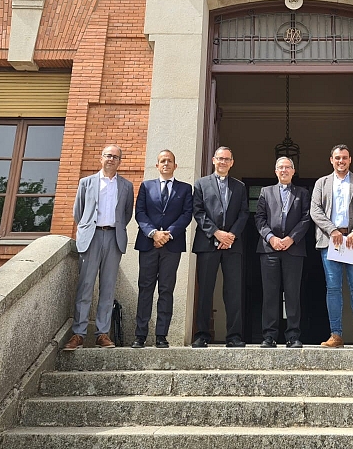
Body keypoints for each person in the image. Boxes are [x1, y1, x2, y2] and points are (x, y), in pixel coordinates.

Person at [64, 145, 134, 351]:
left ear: (120, 161)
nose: (111, 159)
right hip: (91, 236)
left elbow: (126, 214)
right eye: (108, 156)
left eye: (115, 157)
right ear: (101, 158)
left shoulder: (126, 186)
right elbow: (78, 212)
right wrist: (87, 228)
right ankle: (78, 334)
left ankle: (102, 333)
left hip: (113, 237)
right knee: (85, 285)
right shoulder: (86, 183)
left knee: (108, 287)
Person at [310, 144, 353, 349]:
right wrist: (332, 230)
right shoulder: (322, 183)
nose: (341, 161)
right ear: (331, 160)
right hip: (332, 240)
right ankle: (335, 335)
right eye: (337, 158)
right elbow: (315, 210)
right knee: (333, 288)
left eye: (345, 158)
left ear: (350, 160)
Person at [131, 150, 193, 349]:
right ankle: (140, 335)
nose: (166, 164)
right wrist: (153, 234)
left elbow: (186, 214)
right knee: (145, 288)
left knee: (166, 290)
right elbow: (139, 213)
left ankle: (161, 335)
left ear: (175, 166)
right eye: (162, 161)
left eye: (169, 161)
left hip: (172, 246)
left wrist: (167, 234)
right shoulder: (146, 186)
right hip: (148, 244)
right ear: (157, 165)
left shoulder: (185, 189)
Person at [191, 146, 249, 348]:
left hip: (233, 245)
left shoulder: (239, 187)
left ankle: (234, 335)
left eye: (227, 159)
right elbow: (198, 212)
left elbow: (244, 213)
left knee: (233, 291)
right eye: (220, 159)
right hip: (208, 243)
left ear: (232, 162)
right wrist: (216, 233)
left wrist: (231, 235)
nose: (223, 162)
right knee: (205, 290)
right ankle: (202, 334)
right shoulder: (201, 184)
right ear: (214, 161)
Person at [255, 157, 310, 348]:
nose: (284, 170)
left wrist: (291, 238)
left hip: (293, 249)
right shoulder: (265, 192)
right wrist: (271, 237)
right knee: (270, 294)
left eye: (288, 167)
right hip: (269, 249)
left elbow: (306, 218)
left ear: (293, 171)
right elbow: (259, 218)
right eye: (280, 167)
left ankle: (293, 335)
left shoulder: (302, 193)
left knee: (293, 294)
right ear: (275, 171)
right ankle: (269, 335)